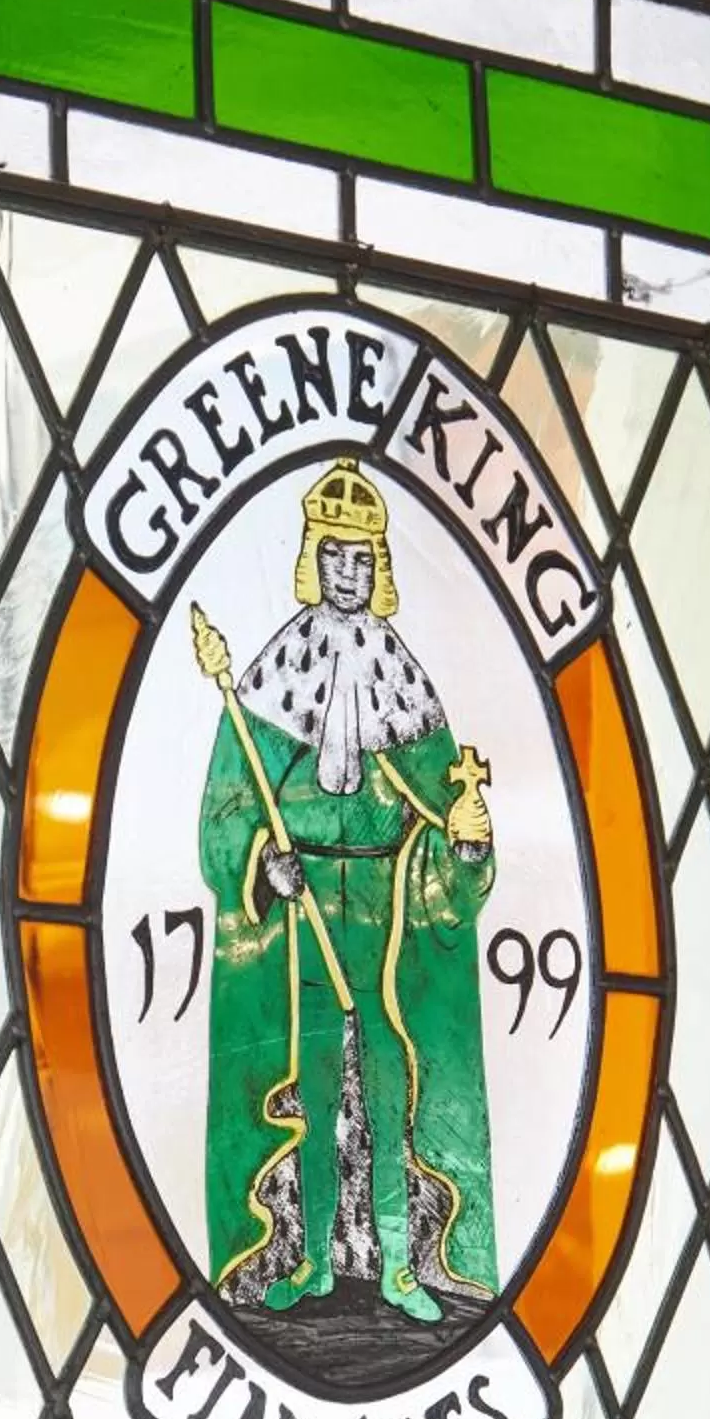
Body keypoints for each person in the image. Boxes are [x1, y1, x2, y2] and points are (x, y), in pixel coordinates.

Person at [197, 459, 498, 1329]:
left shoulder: (403, 676)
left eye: (363, 559)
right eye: (336, 555)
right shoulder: (271, 674)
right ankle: (318, 1266)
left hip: (381, 891)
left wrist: (469, 833)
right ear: (313, 559)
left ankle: (402, 1263)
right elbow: (227, 802)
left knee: (391, 1067)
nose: (348, 573)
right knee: (319, 1074)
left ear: (380, 569)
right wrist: (261, 862)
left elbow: (447, 798)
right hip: (303, 900)